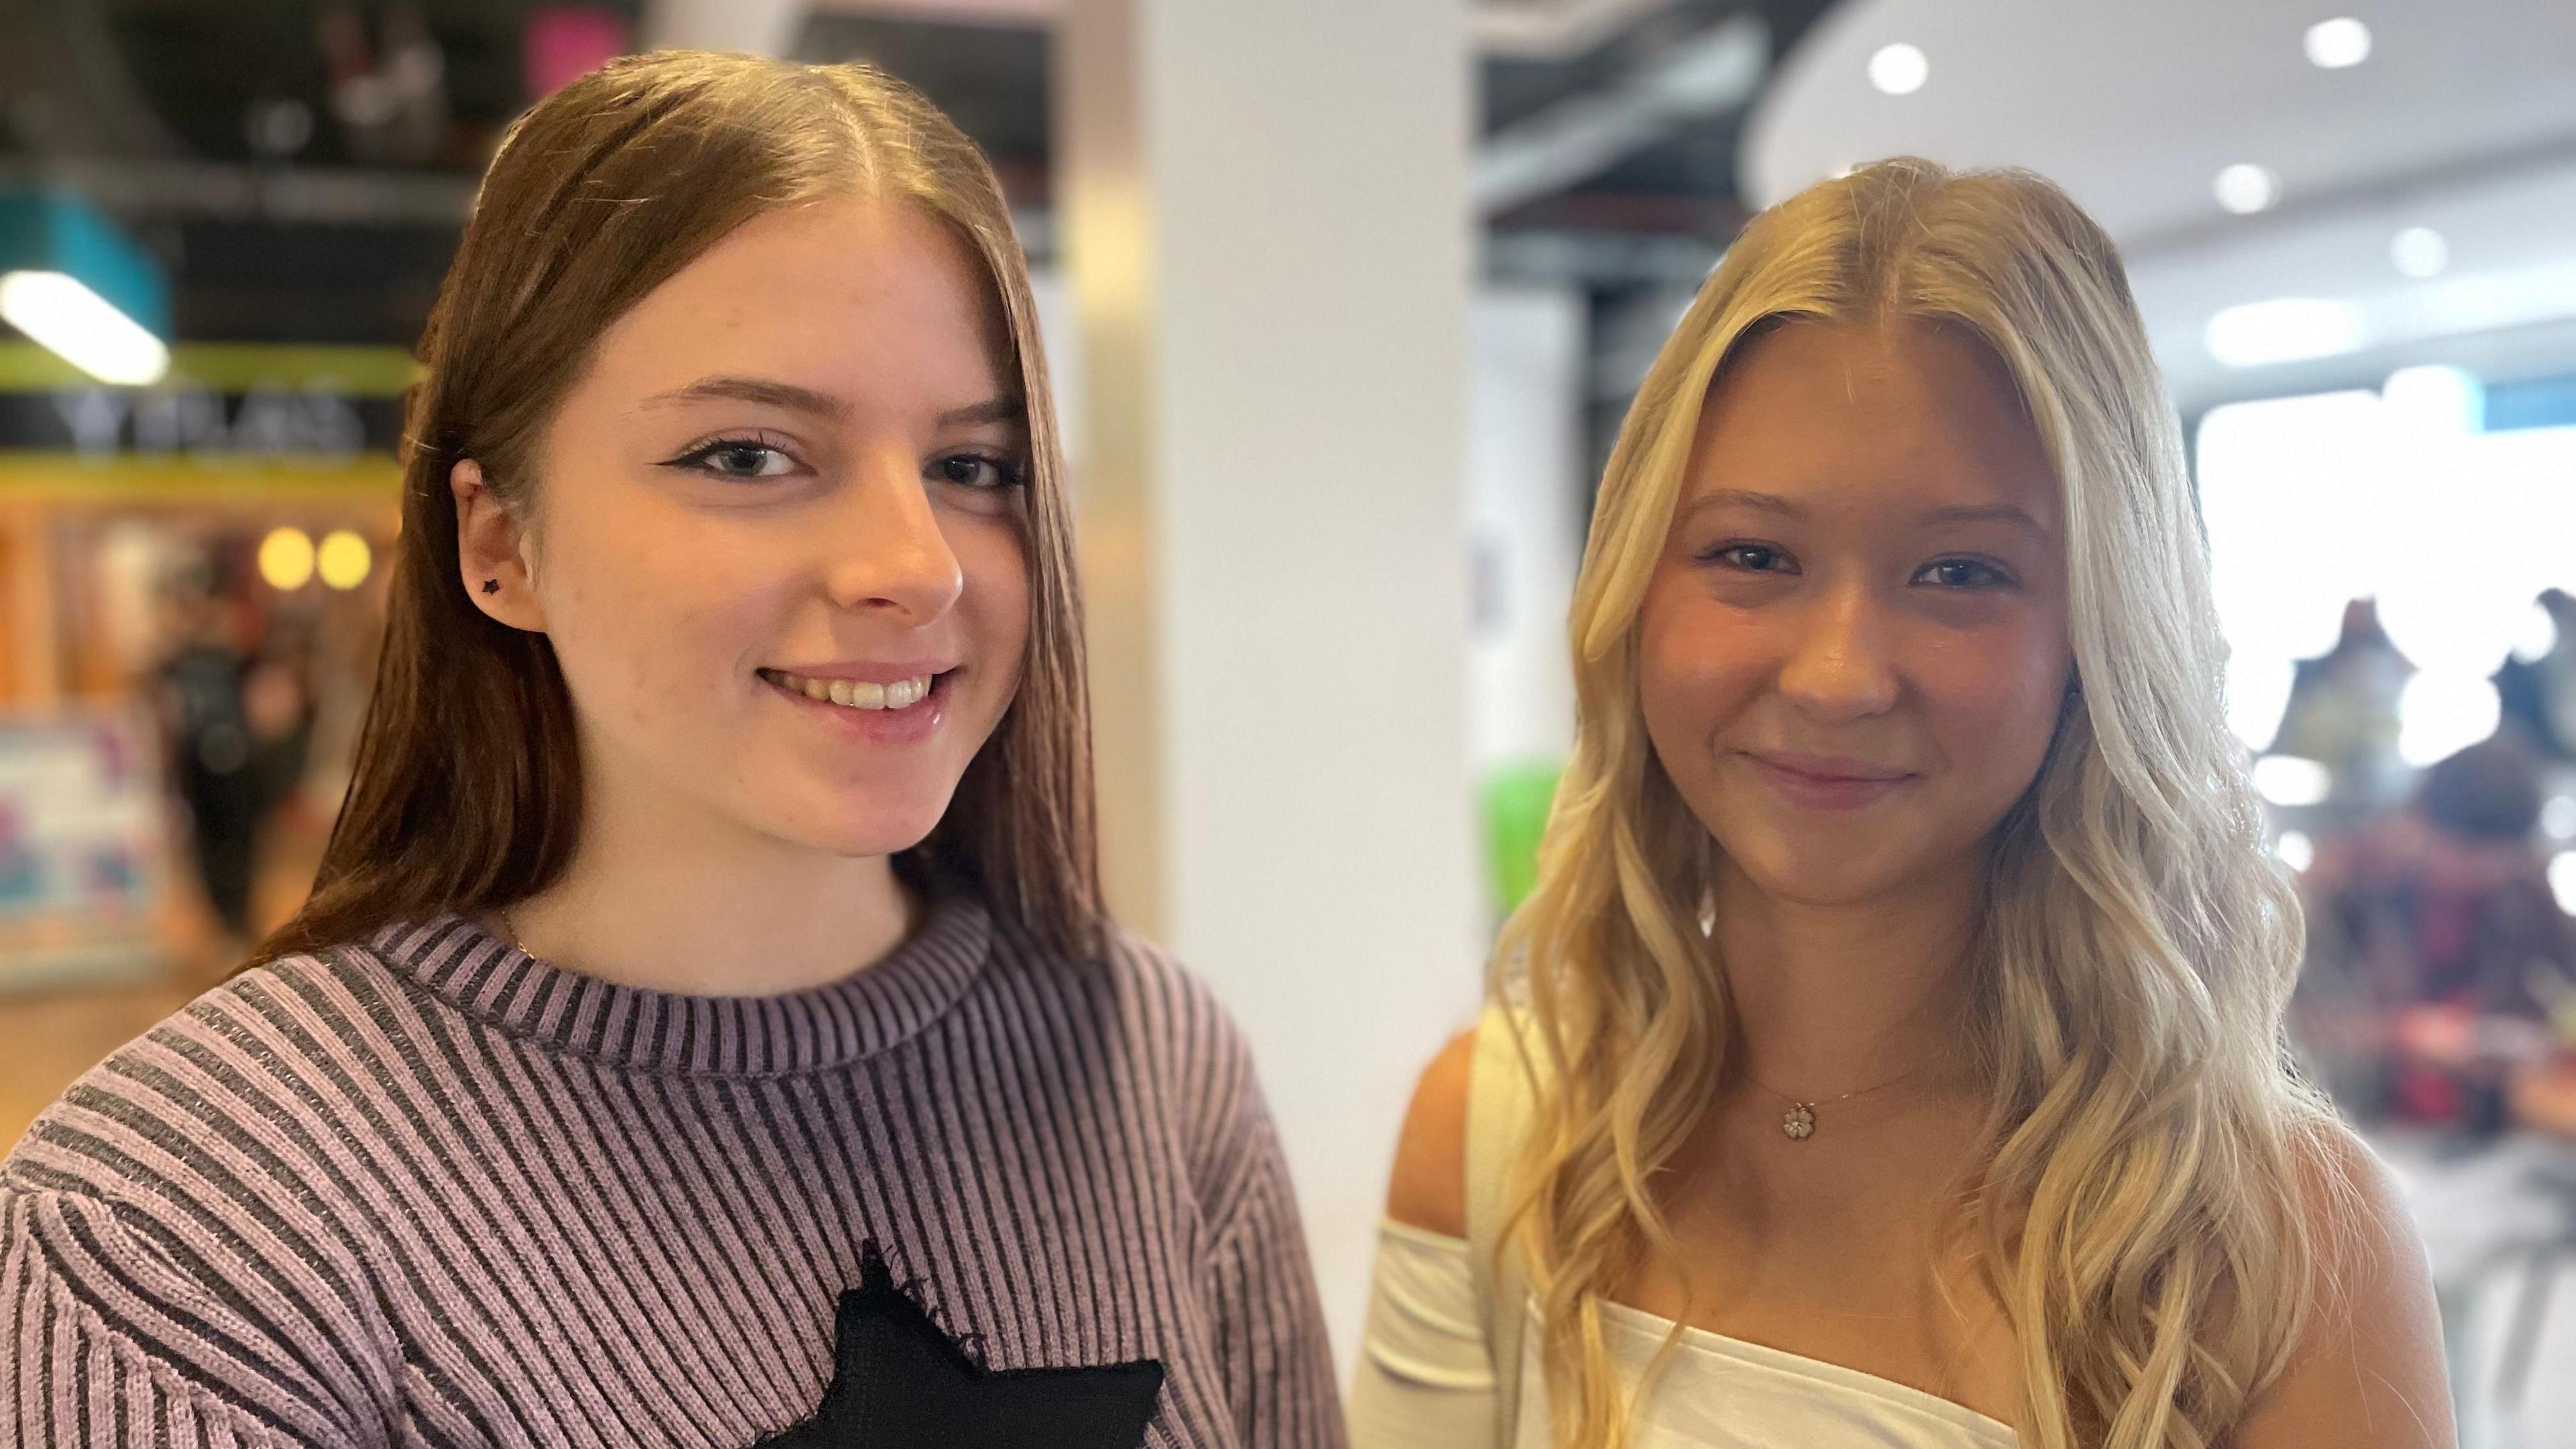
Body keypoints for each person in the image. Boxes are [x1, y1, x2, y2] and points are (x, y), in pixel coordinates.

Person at [3, 53, 1340, 1449]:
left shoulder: (1156, 1065)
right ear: (499, 544)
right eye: (750, 455)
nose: (916, 565)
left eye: (975, 467)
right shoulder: (173, 1241)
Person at [1349, 160, 2451, 1449]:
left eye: (1960, 572)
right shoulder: (1497, 1134)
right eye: (1753, 554)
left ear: (2100, 631)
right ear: (1635, 589)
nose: (1836, 678)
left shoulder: (2273, 1251)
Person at [2296, 737, 2576, 1134]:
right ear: (2420, 822)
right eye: (2464, 855)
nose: (2481, 875)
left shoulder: (2524, 894)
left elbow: (2563, 1000)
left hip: (2489, 1138)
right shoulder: (2345, 885)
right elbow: (2284, 1031)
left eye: (2498, 861)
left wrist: (2532, 1044)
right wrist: (2402, 1037)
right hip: (2353, 1129)